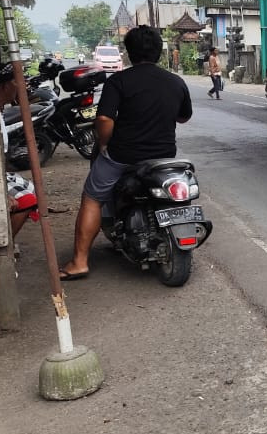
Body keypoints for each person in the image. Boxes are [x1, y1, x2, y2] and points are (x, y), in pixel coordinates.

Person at [60, 26, 192, 280]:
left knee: (92, 198)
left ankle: (79, 262)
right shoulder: (176, 81)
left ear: (129, 53)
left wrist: (104, 145)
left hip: (123, 156)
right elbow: (183, 117)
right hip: (163, 157)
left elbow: (105, 120)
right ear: (158, 52)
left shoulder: (119, 81)